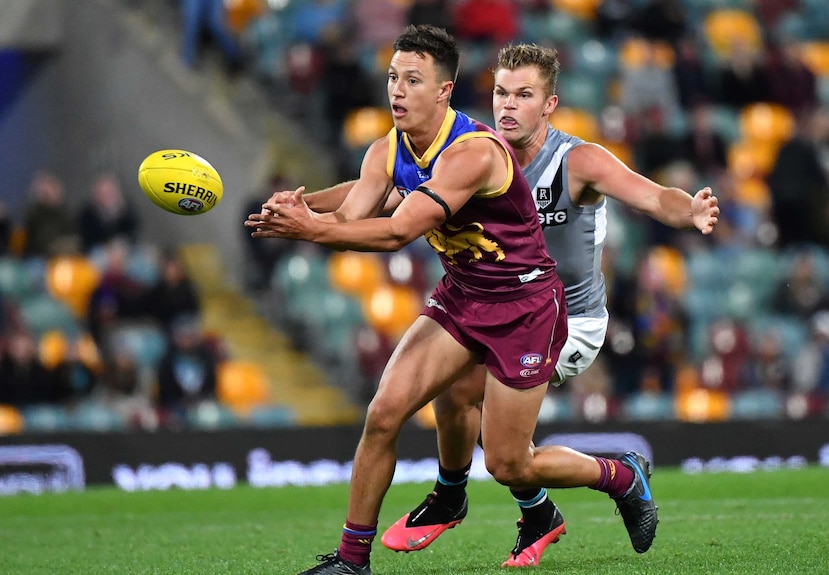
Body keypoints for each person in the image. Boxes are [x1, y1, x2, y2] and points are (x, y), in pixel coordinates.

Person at [285, 42, 719, 568]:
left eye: (524, 95)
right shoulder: (468, 149)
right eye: (500, 92)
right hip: (474, 297)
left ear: (550, 105)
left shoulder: (575, 160)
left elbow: (651, 196)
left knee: (506, 457)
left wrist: (689, 209)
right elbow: (389, 189)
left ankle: (614, 477)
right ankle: (408, 526)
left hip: (561, 317)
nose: (508, 106)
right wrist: (308, 205)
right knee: (419, 401)